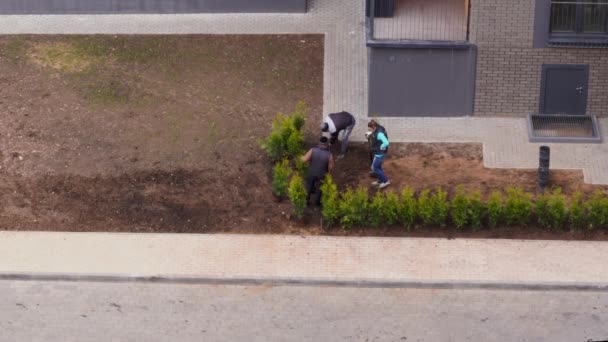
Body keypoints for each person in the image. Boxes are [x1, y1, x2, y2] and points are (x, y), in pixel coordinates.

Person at [301, 136, 335, 206]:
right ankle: (317, 203)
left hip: (311, 172)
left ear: (319, 143)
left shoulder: (312, 150)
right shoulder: (329, 155)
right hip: (322, 175)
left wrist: (301, 157)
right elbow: (330, 168)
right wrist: (327, 172)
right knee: (320, 189)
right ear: (327, 144)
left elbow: (304, 160)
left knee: (309, 186)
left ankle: (306, 202)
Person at [367, 120, 390, 189]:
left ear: (373, 127)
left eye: (370, 129)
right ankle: (380, 180)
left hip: (380, 154)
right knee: (378, 167)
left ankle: (386, 181)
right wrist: (370, 135)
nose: (370, 130)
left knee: (375, 168)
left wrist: (382, 146)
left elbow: (386, 142)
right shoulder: (378, 129)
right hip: (378, 152)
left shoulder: (379, 133)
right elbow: (375, 135)